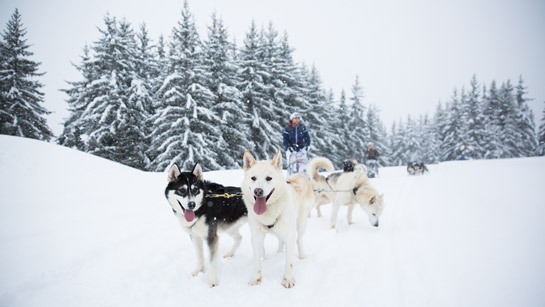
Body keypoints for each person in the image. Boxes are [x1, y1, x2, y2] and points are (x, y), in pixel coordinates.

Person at [283, 112, 311, 176]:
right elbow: (285, 139)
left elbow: (307, 137)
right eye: (295, 118)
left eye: (298, 118)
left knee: (302, 164)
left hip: (301, 148)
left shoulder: (302, 127)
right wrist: (288, 147)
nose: (297, 120)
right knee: (291, 165)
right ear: (292, 119)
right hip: (291, 149)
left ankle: (303, 177)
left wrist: (307, 145)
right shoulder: (288, 128)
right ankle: (290, 178)